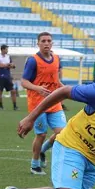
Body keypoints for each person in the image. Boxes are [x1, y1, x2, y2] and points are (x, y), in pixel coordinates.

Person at [21, 32, 67, 175]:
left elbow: (55, 80)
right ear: (38, 43)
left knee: (63, 133)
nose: (46, 43)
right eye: (43, 41)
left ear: (52, 43)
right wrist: (37, 88)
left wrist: (63, 89)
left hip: (54, 103)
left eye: (49, 41)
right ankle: (34, 165)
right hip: (37, 104)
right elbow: (24, 82)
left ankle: (42, 150)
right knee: (40, 134)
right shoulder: (33, 61)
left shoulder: (57, 59)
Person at [0, 44, 19, 111]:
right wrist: (8, 65)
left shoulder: (8, 57)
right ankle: (1, 106)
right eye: (6, 49)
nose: (7, 50)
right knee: (0, 92)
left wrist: (7, 65)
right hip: (1, 77)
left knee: (13, 91)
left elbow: (13, 66)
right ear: (2, 49)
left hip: (8, 77)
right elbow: (0, 65)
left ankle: (15, 106)